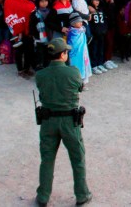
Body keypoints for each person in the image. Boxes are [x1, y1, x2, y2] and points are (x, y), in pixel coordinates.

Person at [35, 38, 92, 207]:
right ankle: (82, 194)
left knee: (47, 159)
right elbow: (79, 87)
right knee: (77, 158)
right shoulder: (73, 72)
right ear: (63, 54)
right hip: (69, 121)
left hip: (48, 121)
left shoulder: (40, 75)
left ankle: (43, 196)